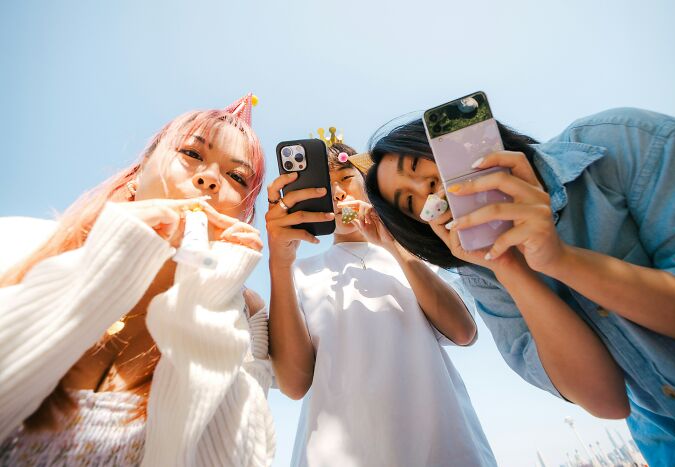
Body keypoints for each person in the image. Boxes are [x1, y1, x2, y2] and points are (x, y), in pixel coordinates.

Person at [363, 107, 675, 465]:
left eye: (417, 167)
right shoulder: (483, 275)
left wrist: (561, 258)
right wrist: (510, 266)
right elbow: (606, 401)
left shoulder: (626, 141)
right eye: (411, 202)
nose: (424, 188)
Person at [0, 94, 275, 466]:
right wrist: (115, 258)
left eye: (237, 177)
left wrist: (210, 295)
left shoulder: (234, 331)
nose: (210, 180)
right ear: (140, 171)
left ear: (244, 214)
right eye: (193, 154)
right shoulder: (18, 240)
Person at [266, 139, 497, 466]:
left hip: (444, 447)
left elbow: (463, 332)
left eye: (345, 178)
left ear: (367, 182)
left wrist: (395, 246)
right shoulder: (298, 272)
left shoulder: (414, 256)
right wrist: (278, 264)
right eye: (323, 186)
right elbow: (293, 384)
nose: (336, 193)